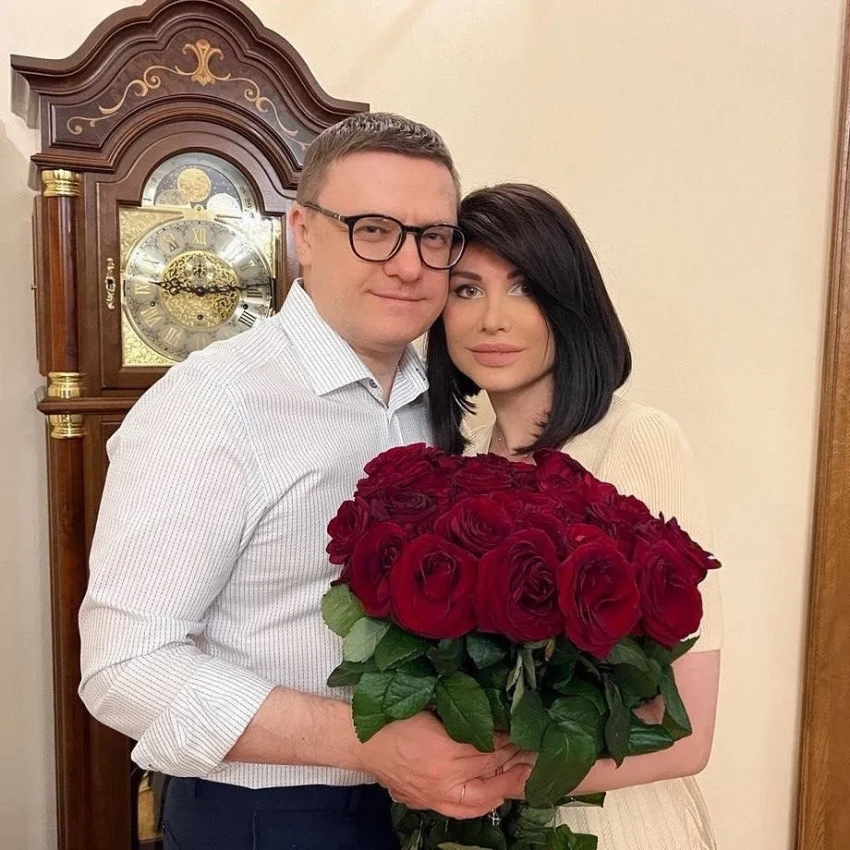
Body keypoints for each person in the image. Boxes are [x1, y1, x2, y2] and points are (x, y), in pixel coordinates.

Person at [78, 114, 528, 850]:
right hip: (267, 816)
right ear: (304, 233)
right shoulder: (213, 404)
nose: (409, 266)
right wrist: (366, 741)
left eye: (433, 237)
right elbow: (124, 669)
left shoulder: (446, 402)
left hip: (420, 806)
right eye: (373, 229)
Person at [427, 182, 722, 849]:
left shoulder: (638, 440)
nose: (492, 319)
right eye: (467, 289)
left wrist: (496, 778)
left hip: (608, 824)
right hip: (477, 825)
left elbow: (689, 736)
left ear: (569, 303)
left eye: (524, 288)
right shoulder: (457, 464)